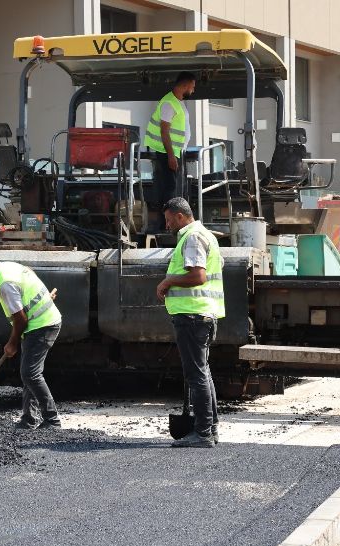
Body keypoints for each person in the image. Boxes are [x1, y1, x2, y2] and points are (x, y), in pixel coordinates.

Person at [155, 197, 224, 448]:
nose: (167, 224)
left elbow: (197, 276)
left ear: (180, 216)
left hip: (192, 316)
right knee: (203, 373)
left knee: (197, 375)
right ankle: (210, 429)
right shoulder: (206, 235)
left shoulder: (192, 236)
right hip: (202, 315)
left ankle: (203, 433)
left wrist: (168, 281)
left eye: (169, 218)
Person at [0, 254, 62, 429]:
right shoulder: (6, 267)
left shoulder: (4, 285)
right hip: (39, 323)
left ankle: (52, 420)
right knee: (28, 373)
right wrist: (39, 297)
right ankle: (29, 419)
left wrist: (12, 343)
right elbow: (29, 273)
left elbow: (21, 320)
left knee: (30, 374)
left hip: (42, 325)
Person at [144, 72, 197, 232]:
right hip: (166, 152)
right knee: (169, 189)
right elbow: (164, 131)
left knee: (172, 188)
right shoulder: (168, 103)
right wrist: (171, 156)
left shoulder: (177, 102)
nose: (193, 91)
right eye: (192, 87)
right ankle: (167, 225)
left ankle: (170, 223)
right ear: (186, 85)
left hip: (174, 152)